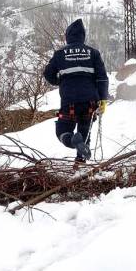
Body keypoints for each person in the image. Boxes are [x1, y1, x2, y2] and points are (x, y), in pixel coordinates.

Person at [43, 19, 109, 163]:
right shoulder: (93, 53)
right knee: (85, 132)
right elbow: (102, 78)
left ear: (68, 36)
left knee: (62, 130)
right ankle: (80, 162)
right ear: (82, 36)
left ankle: (72, 141)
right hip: (90, 101)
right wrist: (103, 98)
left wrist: (59, 81)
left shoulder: (59, 54)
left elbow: (48, 74)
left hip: (69, 100)